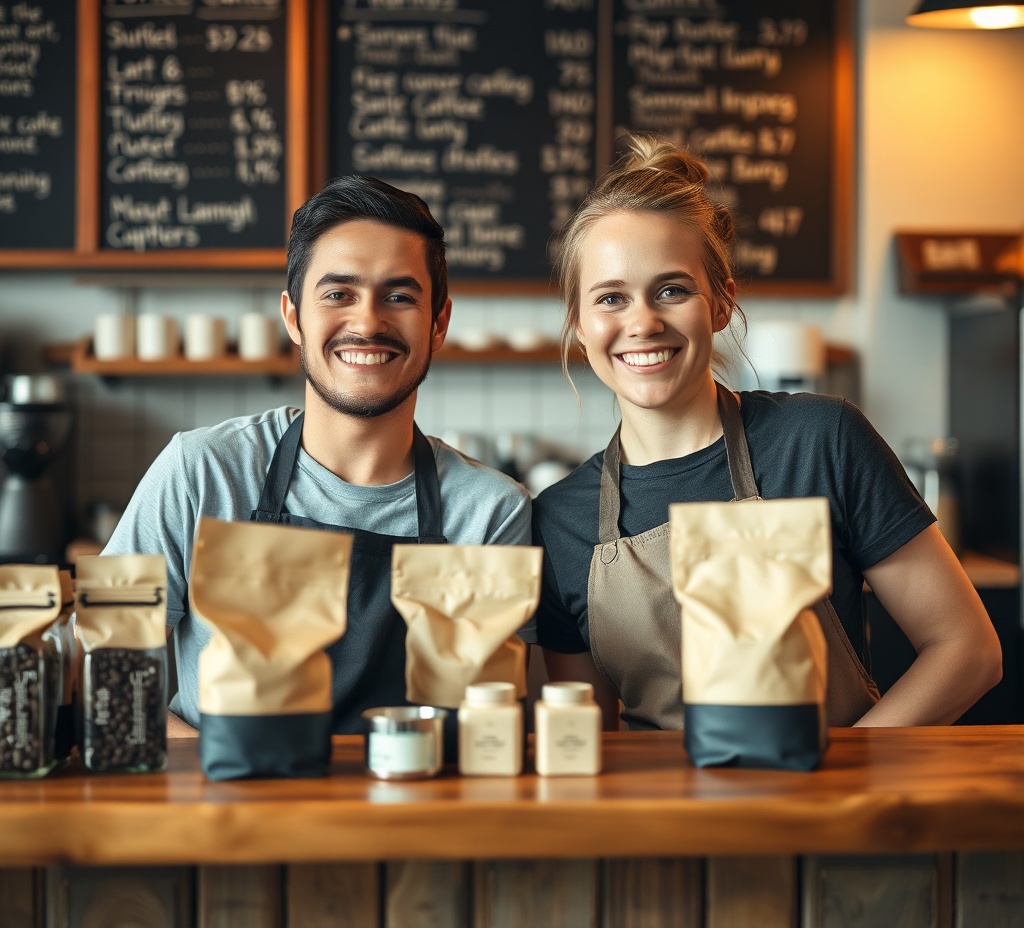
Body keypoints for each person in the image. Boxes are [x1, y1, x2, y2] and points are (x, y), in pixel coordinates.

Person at [531, 131, 1001, 731]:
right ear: (578, 324)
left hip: (829, 814)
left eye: (672, 290)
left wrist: (845, 780)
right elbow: (584, 737)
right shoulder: (560, 519)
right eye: (611, 298)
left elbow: (967, 651)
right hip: (661, 822)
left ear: (721, 303)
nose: (643, 322)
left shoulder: (819, 440)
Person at [103, 176, 531, 735]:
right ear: (292, 317)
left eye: (399, 296)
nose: (367, 322)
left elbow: (484, 728)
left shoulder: (490, 513)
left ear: (439, 323)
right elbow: (107, 674)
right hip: (225, 807)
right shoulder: (200, 471)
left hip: (406, 809)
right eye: (338, 294)